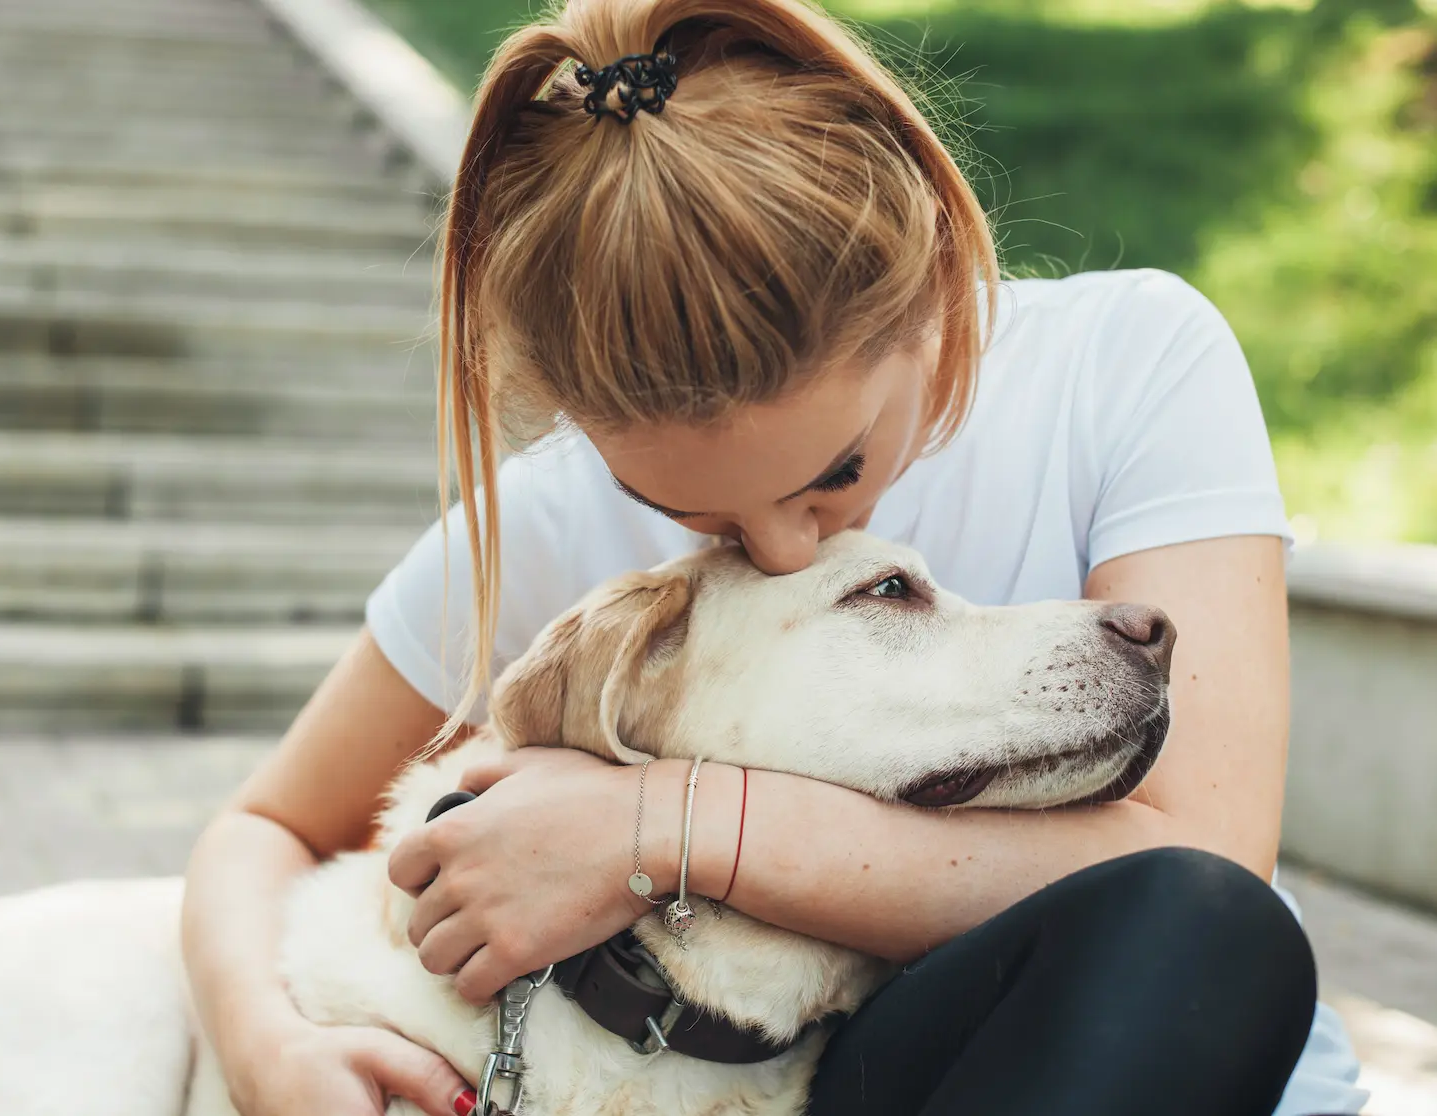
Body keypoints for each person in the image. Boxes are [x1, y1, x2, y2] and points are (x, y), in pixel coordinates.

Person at [179, 1, 1369, 1113]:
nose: (791, 542)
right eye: (690, 513)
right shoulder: (554, 513)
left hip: (1130, 1041)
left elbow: (1204, 855)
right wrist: (263, 1044)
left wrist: (660, 828)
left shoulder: (1128, 364)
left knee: (1202, 918)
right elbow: (271, 824)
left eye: (835, 470)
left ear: (929, 275)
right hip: (810, 1082)